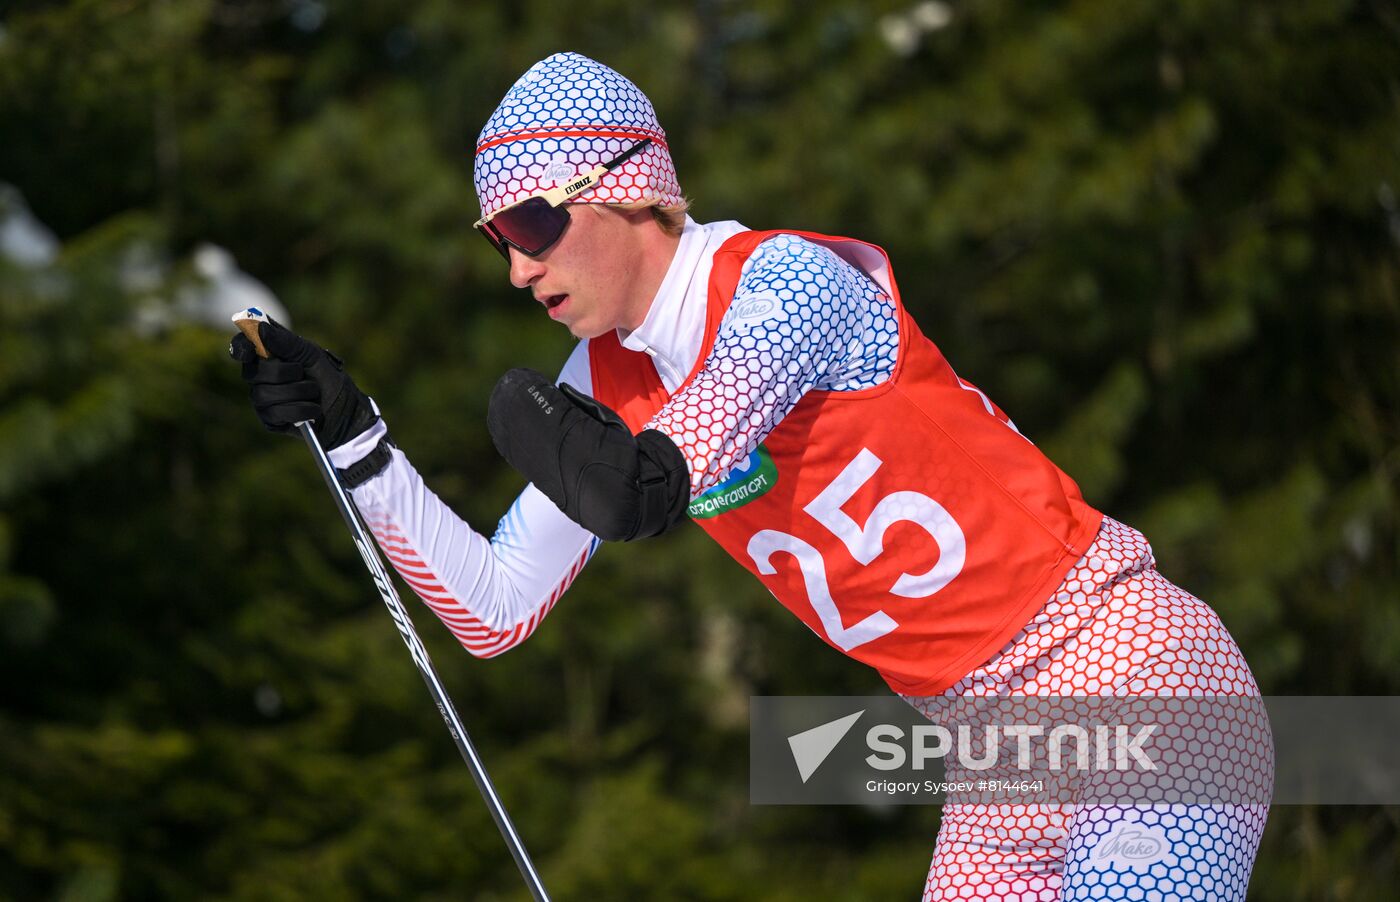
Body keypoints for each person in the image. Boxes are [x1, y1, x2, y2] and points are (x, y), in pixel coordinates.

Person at [231, 52, 1272, 901]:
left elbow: (650, 480)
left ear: (626, 185)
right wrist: (359, 438)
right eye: (496, 237)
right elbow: (495, 610)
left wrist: (559, 435)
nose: (515, 266)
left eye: (532, 225)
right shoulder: (604, 376)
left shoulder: (783, 283)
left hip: (1135, 680)